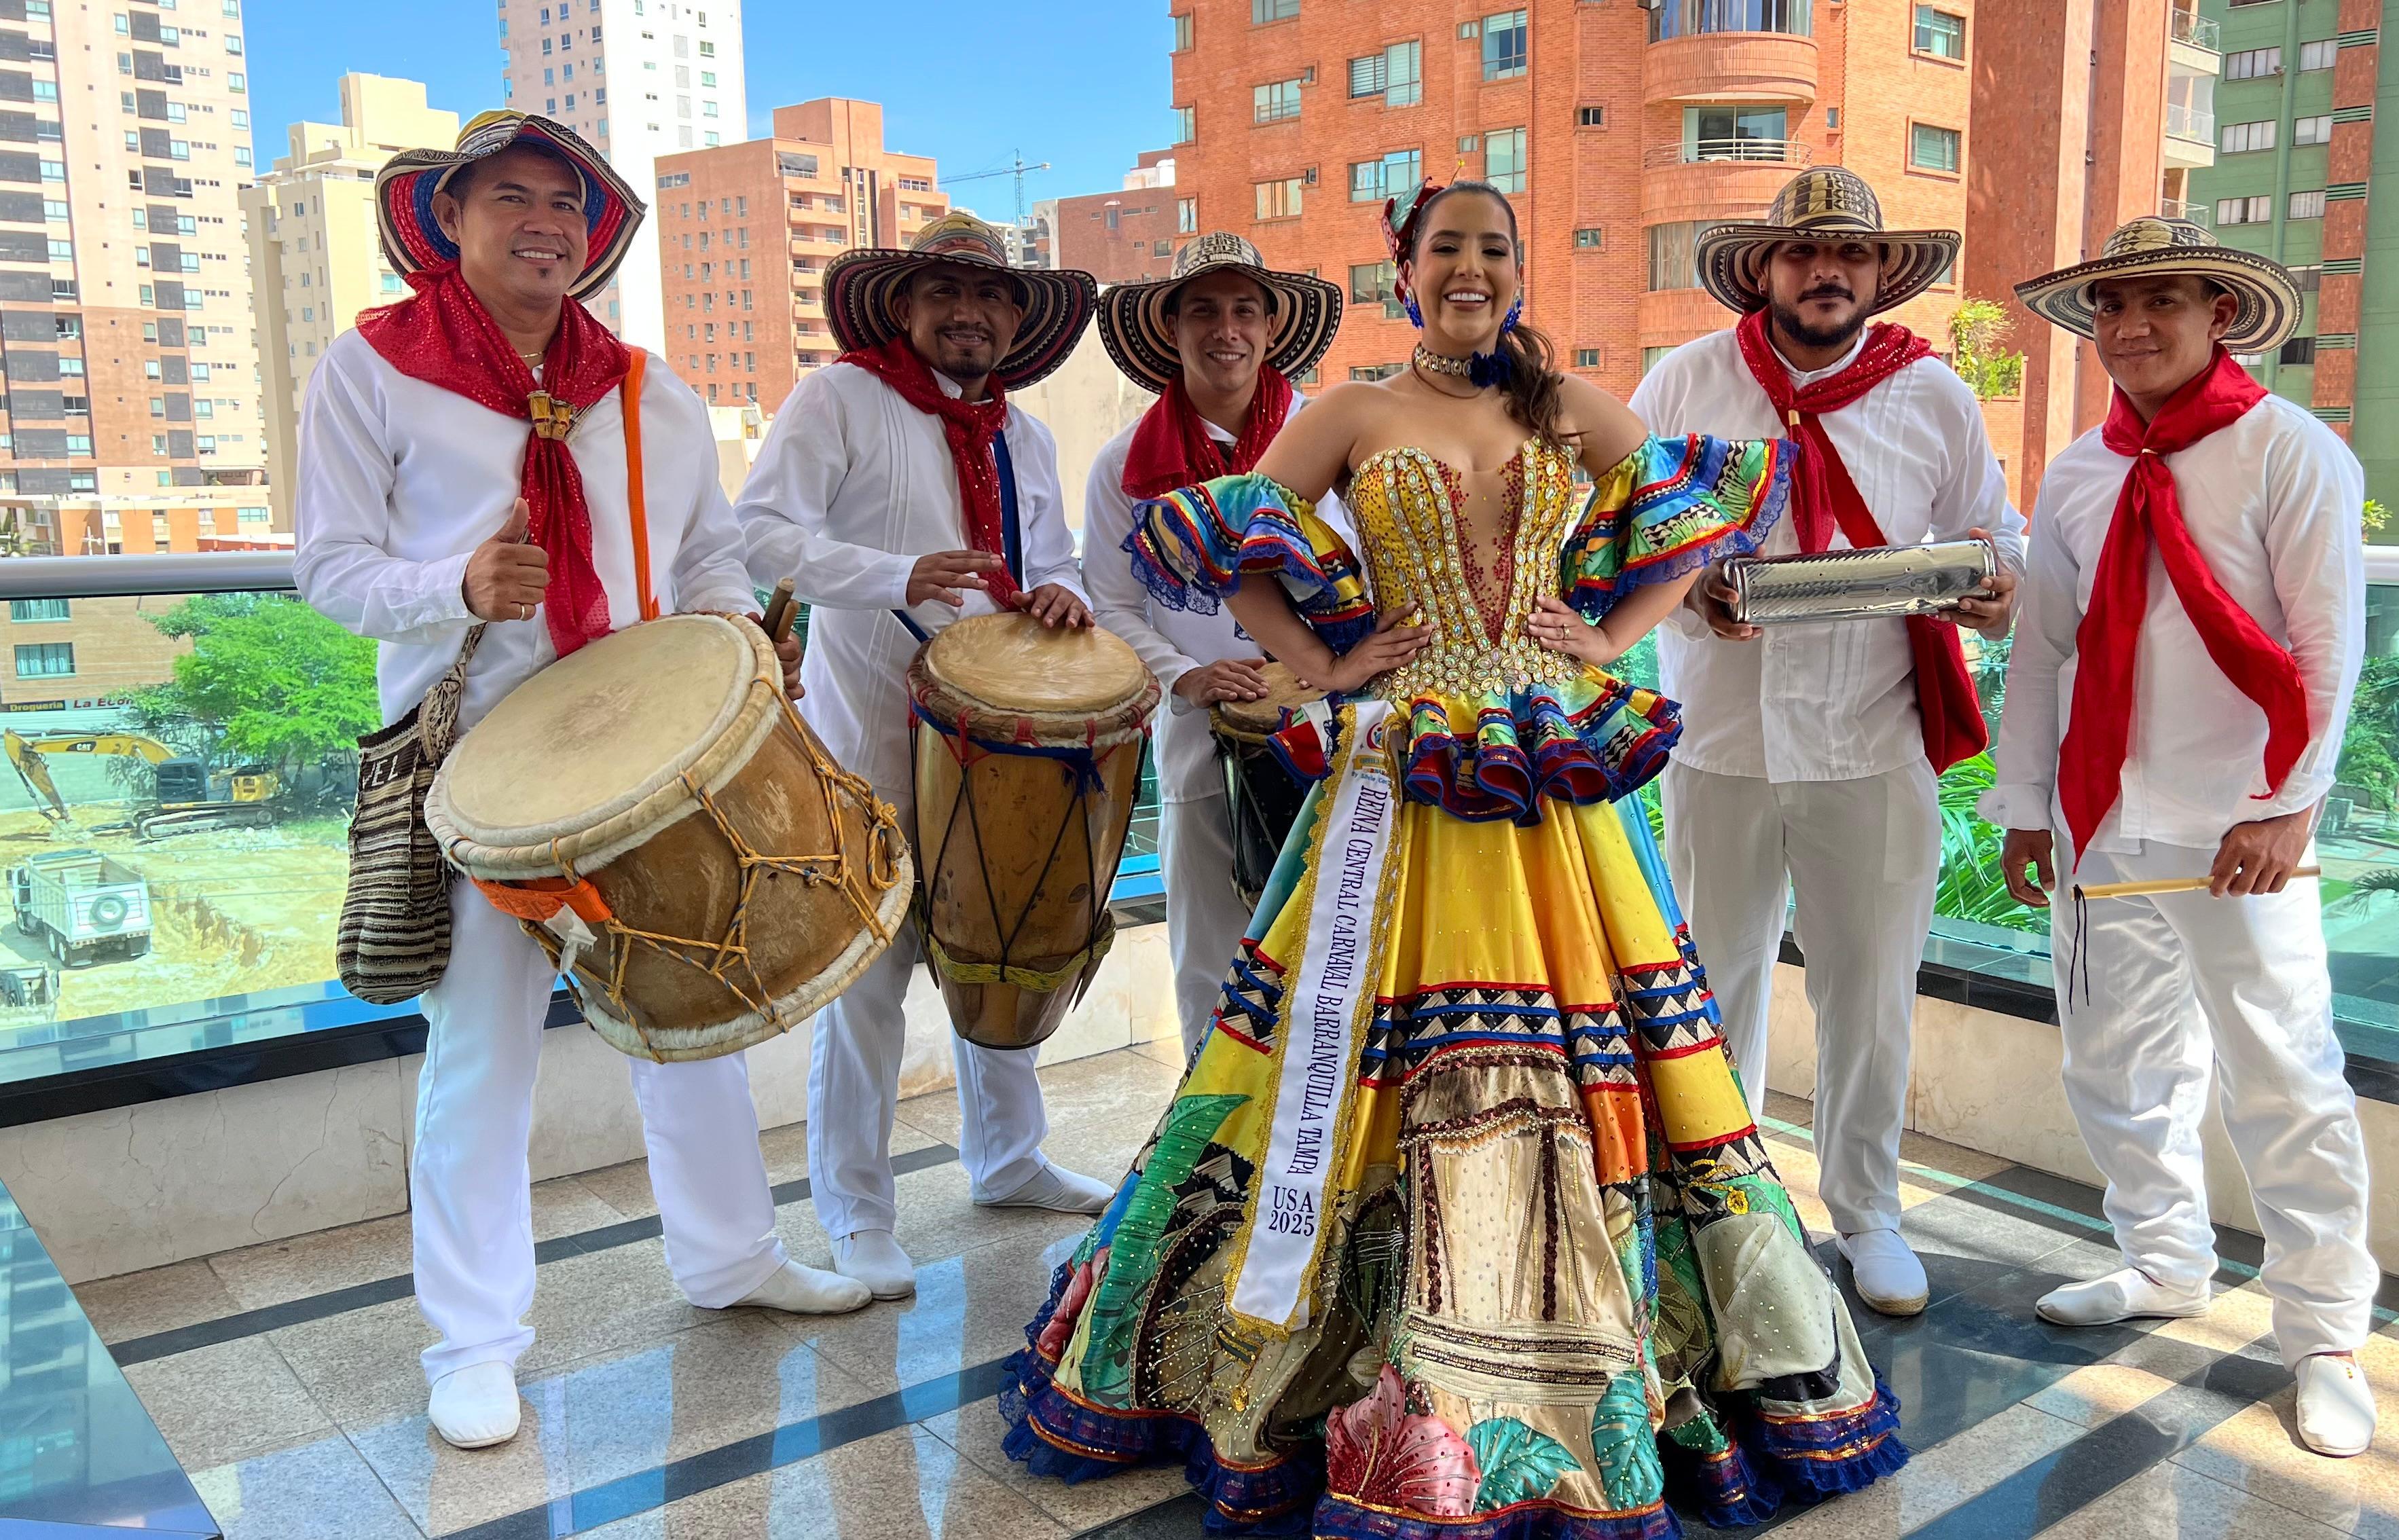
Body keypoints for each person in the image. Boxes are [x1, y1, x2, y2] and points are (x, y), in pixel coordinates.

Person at [1000, 180, 1907, 1535]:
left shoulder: (1572, 407)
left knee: (1618, 1053)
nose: (1469, 268)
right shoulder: (1356, 412)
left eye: (1492, 247)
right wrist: (1318, 664)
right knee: (1334, 1053)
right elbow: (1224, 539)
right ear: (1401, 273)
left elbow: (1696, 519)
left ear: (1517, 270)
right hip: (1401, 770)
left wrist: (1609, 637)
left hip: (1551, 769)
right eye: (1445, 250)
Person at [296, 113, 867, 1453]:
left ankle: (731, 1256)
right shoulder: (372, 369)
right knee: (483, 1057)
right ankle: (474, 1343)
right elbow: (326, 567)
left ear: (594, 234)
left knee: (689, 1015)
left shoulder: (646, 390)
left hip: (650, 760)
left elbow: (711, 553)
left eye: (568, 202)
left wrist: (738, 639)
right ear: (451, 217)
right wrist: (452, 586)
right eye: (511, 197)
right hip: (488, 775)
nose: (544, 221)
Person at [1991, 217, 2378, 1456]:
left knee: (2283, 1073)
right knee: (2112, 1059)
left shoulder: (2290, 451)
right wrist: (2020, 807)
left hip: (2238, 827)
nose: (2131, 326)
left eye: (2160, 300)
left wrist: (2287, 804)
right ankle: (2161, 1260)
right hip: (2098, 820)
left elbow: (2327, 643)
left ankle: (2321, 1331)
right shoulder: (2075, 470)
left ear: (2219, 313)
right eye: (2110, 306)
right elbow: (2042, 649)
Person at [1631, 168, 2022, 1319]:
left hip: (1873, 734)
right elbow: (1615, 537)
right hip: (1723, 733)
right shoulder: (1682, 382)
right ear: (1762, 269)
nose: (1823, 272)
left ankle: (1868, 1214)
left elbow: (1992, 535)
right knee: (1713, 983)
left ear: (1877, 273)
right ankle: (1727, 1209)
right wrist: (1688, 582)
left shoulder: (1933, 395)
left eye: (1845, 255)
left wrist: (1989, 583)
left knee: (1869, 991)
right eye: (1801, 254)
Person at [735, 213, 1115, 1305]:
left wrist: (1063, 595)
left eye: (990, 297)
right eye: (945, 293)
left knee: (1007, 939)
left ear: (1015, 319)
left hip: (1001, 740)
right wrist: (895, 573)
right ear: (903, 307)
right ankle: (856, 1213)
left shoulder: (1025, 436)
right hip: (867, 730)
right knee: (868, 979)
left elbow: (1056, 564)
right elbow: (759, 534)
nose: (969, 313)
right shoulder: (839, 399)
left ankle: (1008, 1161)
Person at [1080, 233, 1345, 1060]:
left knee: (1335, 945)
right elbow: (1110, 603)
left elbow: (1377, 571)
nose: (1223, 329)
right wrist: (1187, 675)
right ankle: (1208, 1160)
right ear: (1171, 328)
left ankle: (1321, 1143)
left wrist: (1316, 665)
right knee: (1208, 956)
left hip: (1331, 734)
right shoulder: (1124, 464)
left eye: (1243, 310)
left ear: (1271, 328)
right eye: (1202, 310)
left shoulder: (1335, 436)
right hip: (1197, 743)